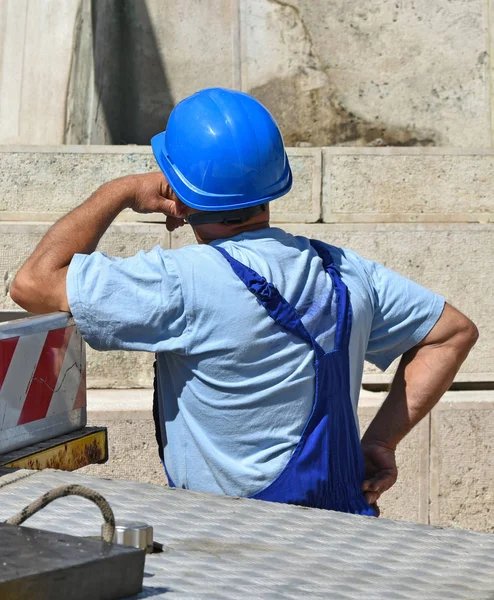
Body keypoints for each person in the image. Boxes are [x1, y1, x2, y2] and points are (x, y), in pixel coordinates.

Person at [11, 88, 478, 516]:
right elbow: (452, 333)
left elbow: (33, 284)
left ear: (180, 191)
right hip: (346, 532)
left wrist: (119, 191)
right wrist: (381, 441)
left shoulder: (182, 281)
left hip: (233, 537)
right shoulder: (344, 270)